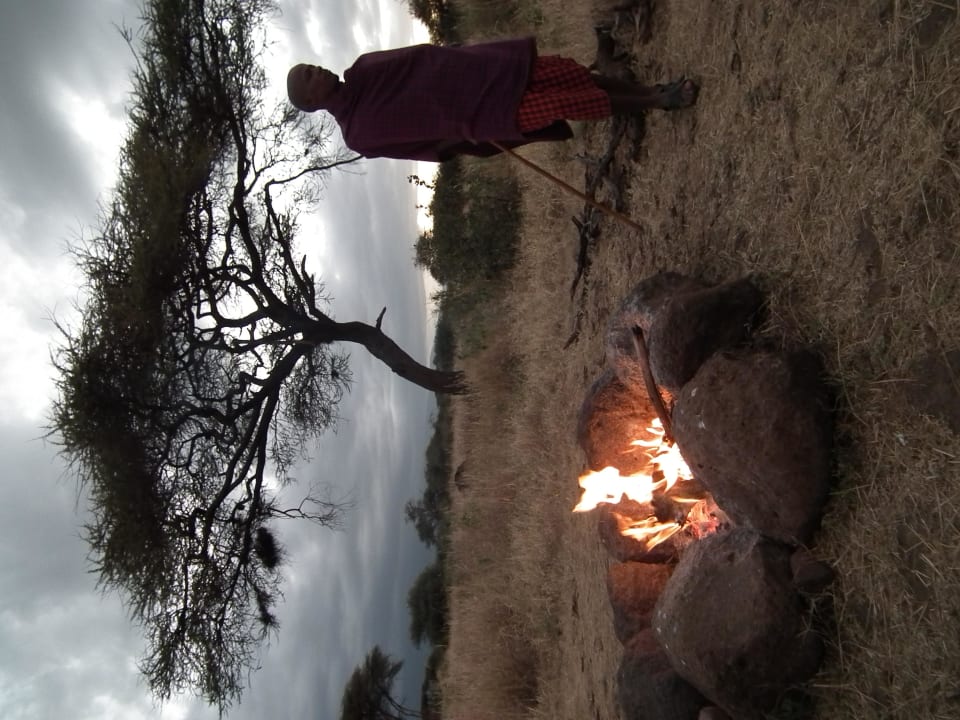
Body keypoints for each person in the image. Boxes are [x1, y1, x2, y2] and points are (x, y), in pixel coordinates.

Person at [286, 37, 697, 162]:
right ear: (311, 102)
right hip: (482, 116)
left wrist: (469, 56)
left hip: (482, 72)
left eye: (311, 66)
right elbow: (419, 146)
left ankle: (650, 92)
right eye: (309, 75)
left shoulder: (362, 68)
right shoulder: (358, 135)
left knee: (570, 75)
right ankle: (658, 101)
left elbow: (424, 58)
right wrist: (467, 138)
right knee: (569, 104)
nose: (317, 69)